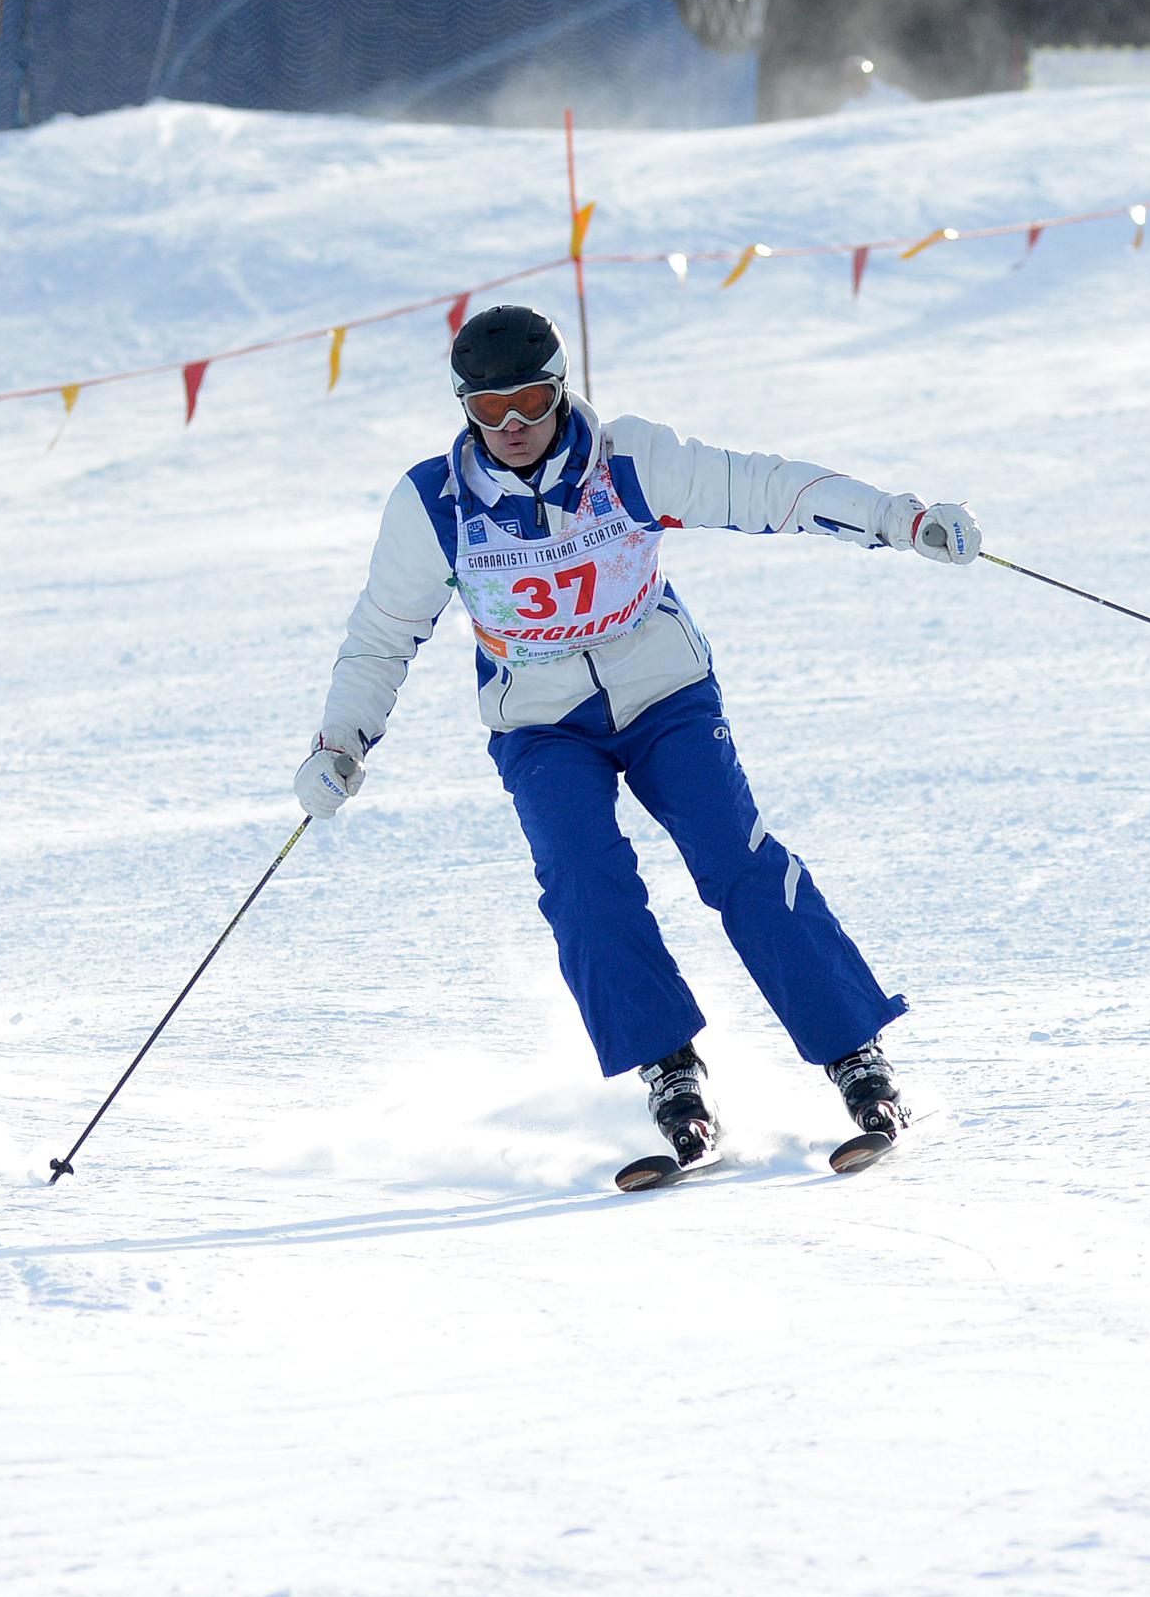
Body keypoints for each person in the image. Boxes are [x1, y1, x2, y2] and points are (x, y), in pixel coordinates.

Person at [295, 303, 979, 1172]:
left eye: (532, 402)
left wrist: (898, 520)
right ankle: (671, 1073)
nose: (513, 426)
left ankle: (856, 1057)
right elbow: (382, 634)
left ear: (561, 390)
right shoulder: (435, 504)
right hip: (539, 722)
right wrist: (341, 741)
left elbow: (768, 490)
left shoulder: (627, 463)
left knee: (736, 859)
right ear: (464, 408)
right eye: (490, 409)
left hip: (665, 693)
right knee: (583, 882)